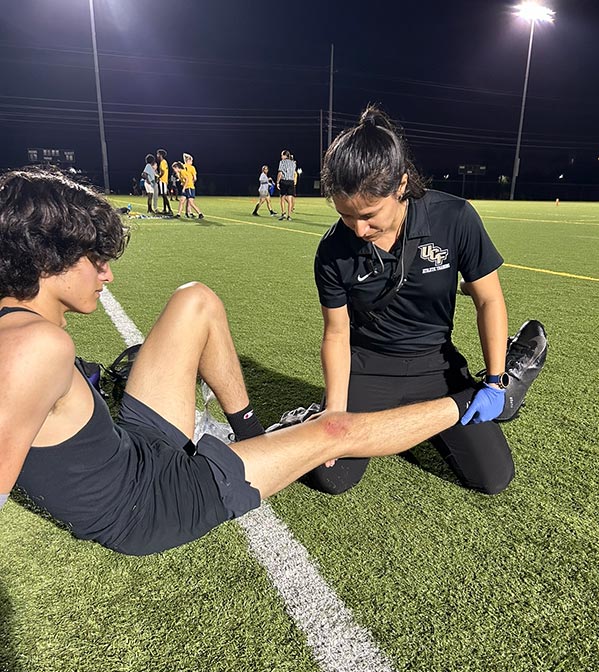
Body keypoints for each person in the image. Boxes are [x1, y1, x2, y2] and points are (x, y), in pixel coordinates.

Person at [0, 169, 478, 556]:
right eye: (92, 257)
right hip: (149, 506)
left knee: (195, 300)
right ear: (45, 258)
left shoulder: (16, 323)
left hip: (137, 450)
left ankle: (248, 438)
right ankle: (480, 399)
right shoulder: (37, 346)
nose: (107, 272)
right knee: (333, 431)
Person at [306, 105, 528, 497]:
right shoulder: (332, 251)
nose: (358, 229)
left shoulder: (455, 218)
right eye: (345, 215)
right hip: (370, 366)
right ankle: (315, 414)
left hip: (436, 366)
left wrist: (493, 381)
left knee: (493, 478)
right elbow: (337, 333)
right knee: (332, 477)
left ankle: (510, 373)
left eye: (370, 215)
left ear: (402, 185)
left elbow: (489, 300)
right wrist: (335, 412)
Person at [181, 152, 204, 219]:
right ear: (188, 160)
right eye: (191, 160)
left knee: (187, 200)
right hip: (190, 186)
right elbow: (195, 178)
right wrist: (192, 182)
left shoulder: (183, 167)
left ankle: (187, 212)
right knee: (190, 201)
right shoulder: (192, 168)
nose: (192, 162)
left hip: (185, 186)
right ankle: (200, 213)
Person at [276, 150, 296, 221]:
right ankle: (289, 216)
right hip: (291, 181)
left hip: (284, 181)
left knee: (282, 198)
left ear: (285, 156)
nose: (281, 157)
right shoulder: (293, 163)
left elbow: (280, 173)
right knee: (290, 199)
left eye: (282, 155)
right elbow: (294, 173)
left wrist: (277, 182)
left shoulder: (282, 162)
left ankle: (283, 214)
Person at [156, 149, 173, 215]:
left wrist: (158, 177)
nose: (157, 155)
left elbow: (162, 172)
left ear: (160, 155)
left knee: (164, 195)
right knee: (163, 195)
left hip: (163, 180)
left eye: (158, 154)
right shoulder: (164, 162)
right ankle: (165, 209)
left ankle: (170, 210)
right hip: (163, 180)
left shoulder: (163, 162)